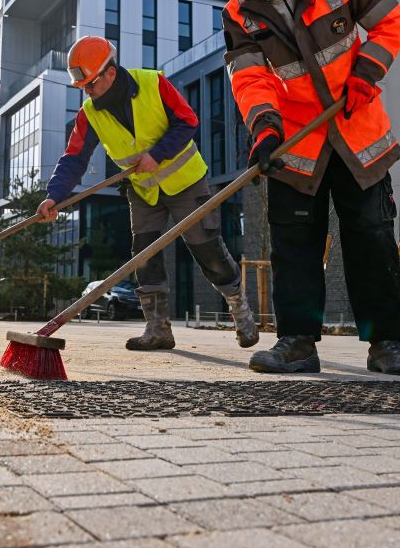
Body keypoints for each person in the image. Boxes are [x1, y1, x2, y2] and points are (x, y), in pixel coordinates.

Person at [212, 0, 400, 376]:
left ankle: (387, 343)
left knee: (371, 238)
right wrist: (265, 127)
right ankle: (298, 343)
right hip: (296, 144)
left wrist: (367, 73)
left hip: (356, 130)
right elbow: (250, 78)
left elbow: (391, 21)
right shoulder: (238, 14)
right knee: (294, 244)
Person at [36, 36, 257, 352]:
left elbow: (188, 121)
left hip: (187, 183)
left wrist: (158, 153)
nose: (86, 90)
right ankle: (158, 329)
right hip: (143, 191)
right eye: (82, 85)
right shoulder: (90, 113)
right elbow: (74, 158)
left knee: (207, 250)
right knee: (144, 256)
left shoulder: (154, 83)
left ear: (110, 73)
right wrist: (54, 197)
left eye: (90, 83)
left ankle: (239, 309)